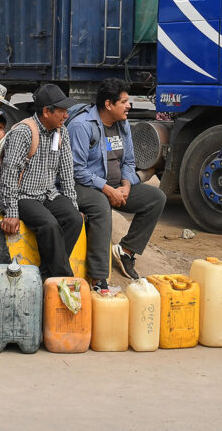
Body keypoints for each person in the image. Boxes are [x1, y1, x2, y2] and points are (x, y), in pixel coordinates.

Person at [69, 78, 166, 291]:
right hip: (84, 187)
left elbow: (129, 162)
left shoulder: (123, 125)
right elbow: (77, 170)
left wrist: (126, 186)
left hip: (115, 186)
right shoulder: (82, 126)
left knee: (156, 198)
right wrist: (107, 189)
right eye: (124, 102)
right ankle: (99, 279)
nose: (129, 105)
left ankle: (126, 251)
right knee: (101, 207)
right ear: (108, 105)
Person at [0, 84, 83, 280]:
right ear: (46, 111)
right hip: (21, 195)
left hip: (47, 193)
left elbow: (67, 171)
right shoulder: (24, 132)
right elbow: (9, 174)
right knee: (49, 225)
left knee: (74, 219)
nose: (66, 116)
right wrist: (11, 212)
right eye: (61, 111)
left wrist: (72, 204)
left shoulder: (62, 132)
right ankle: (62, 278)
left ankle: (46, 274)